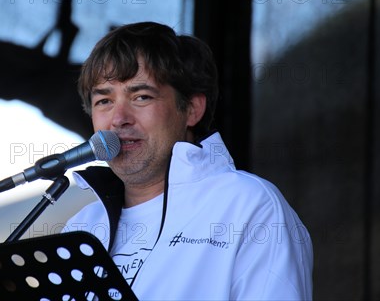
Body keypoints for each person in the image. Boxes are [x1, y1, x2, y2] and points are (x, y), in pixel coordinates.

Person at [64, 22, 313, 300]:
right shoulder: (81, 226)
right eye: (104, 101)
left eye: (141, 97)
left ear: (192, 109)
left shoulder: (249, 205)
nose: (119, 118)